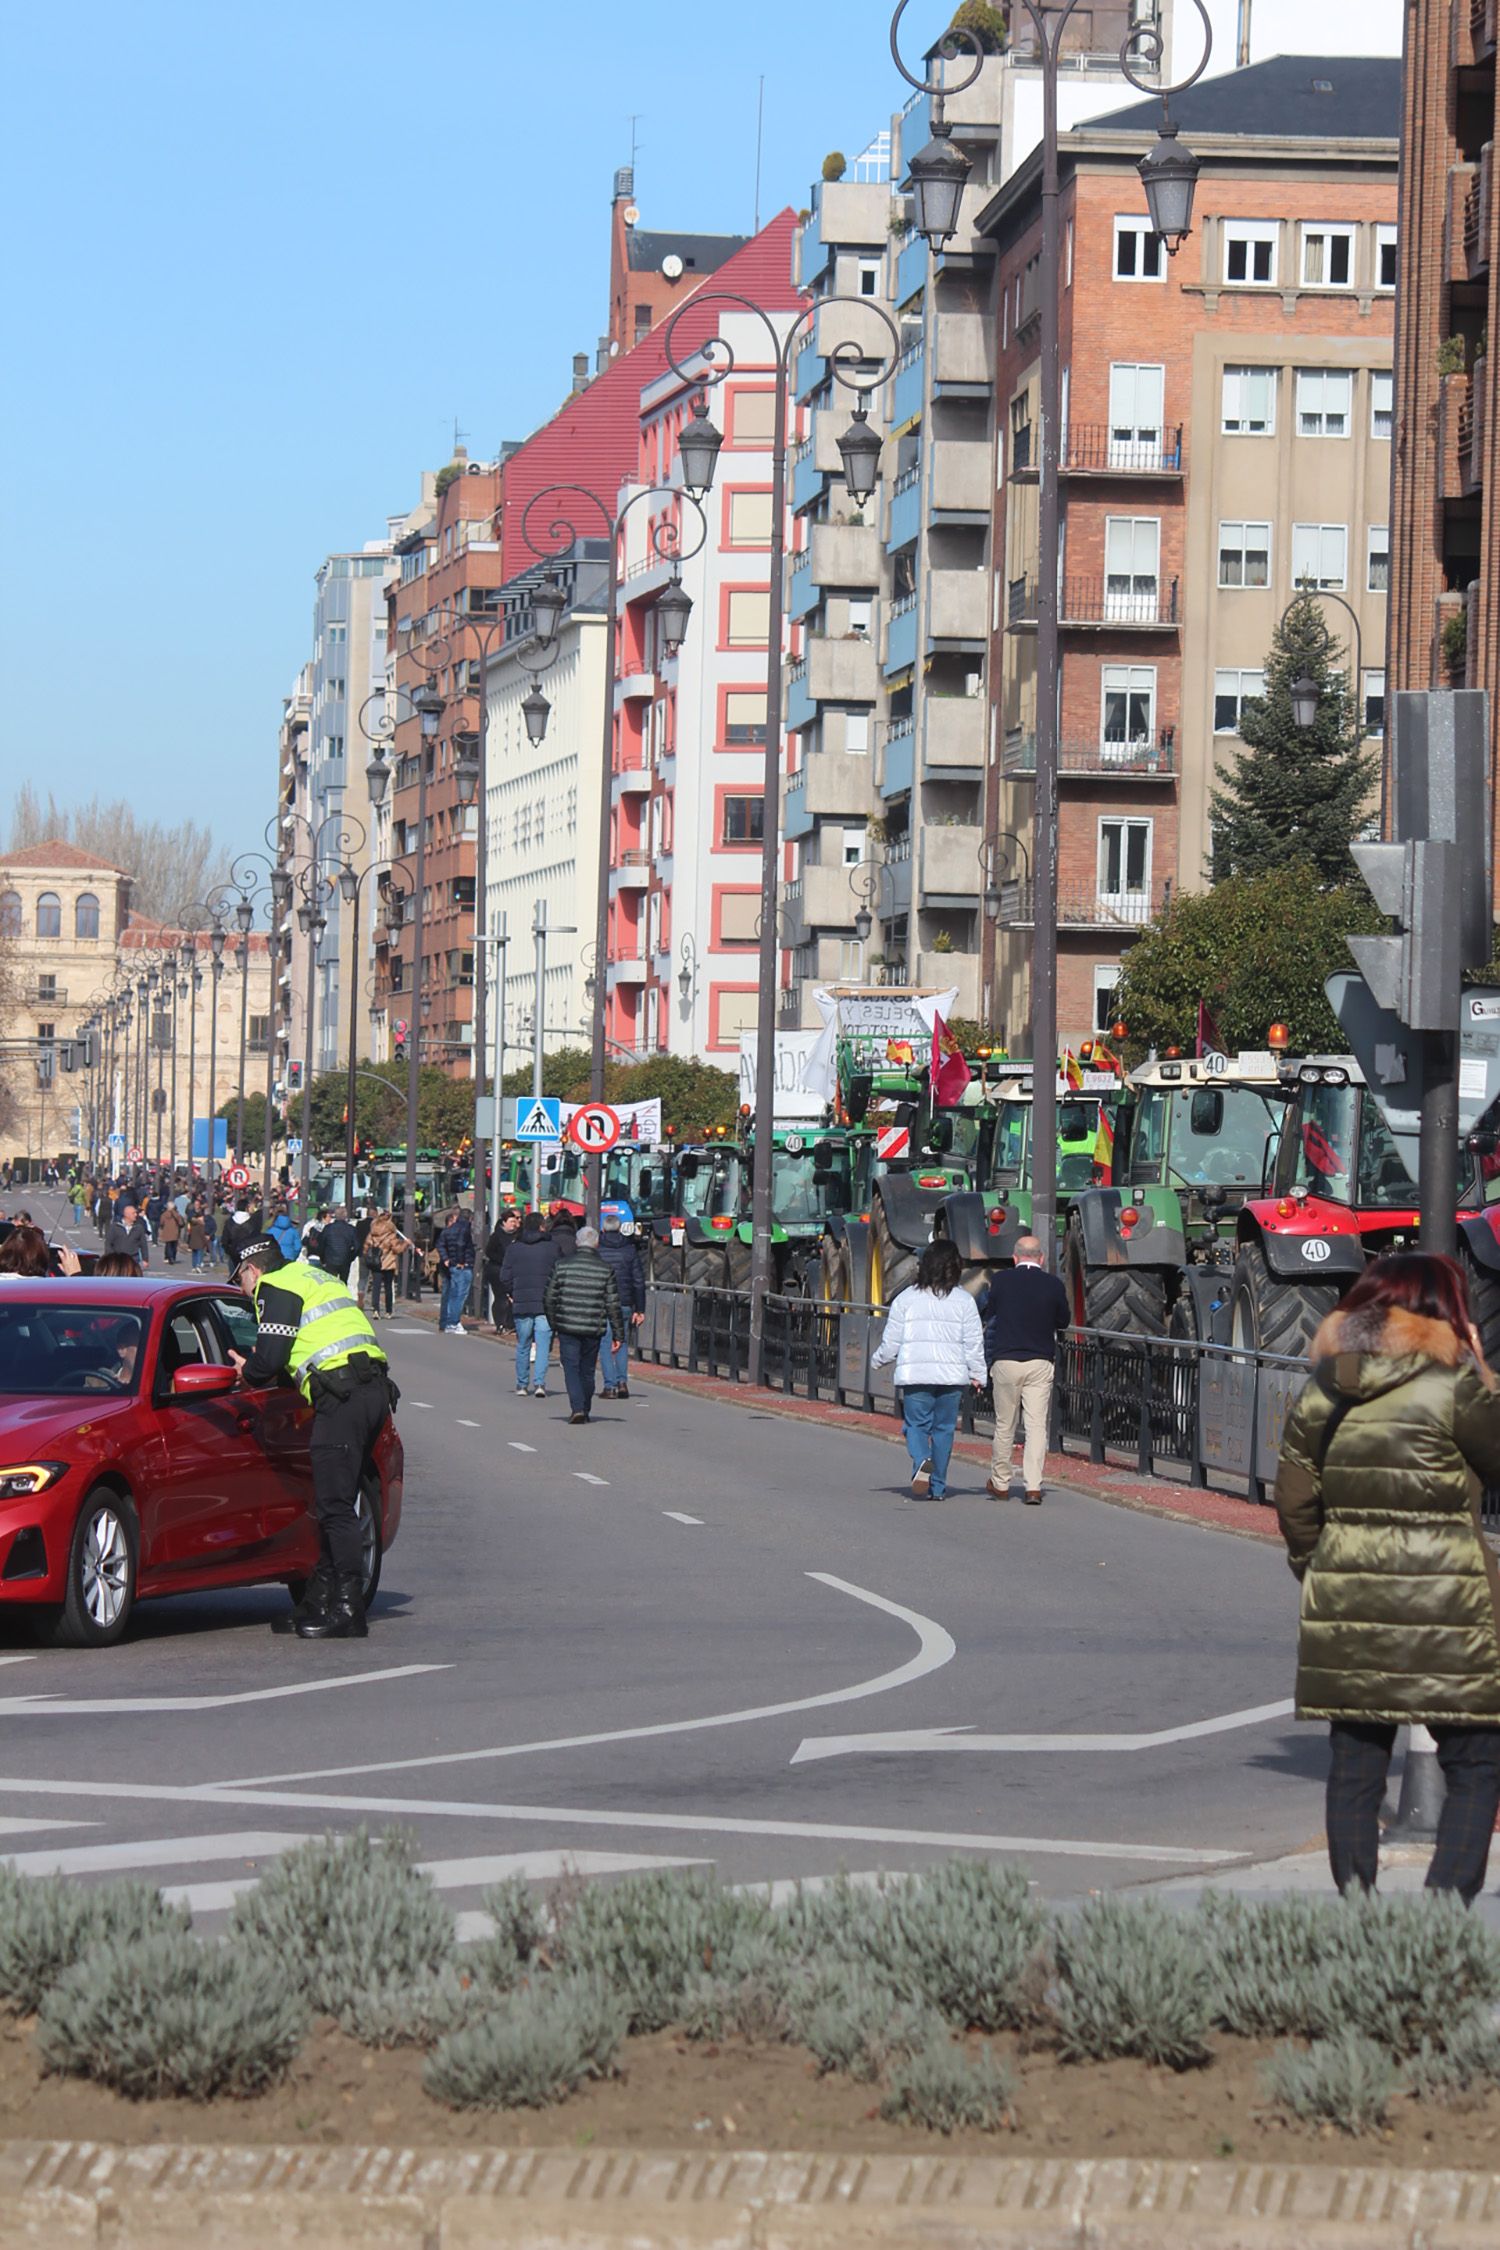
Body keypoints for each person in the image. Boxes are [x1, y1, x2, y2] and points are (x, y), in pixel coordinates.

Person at [1274, 1251, 1500, 1903]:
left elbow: (1294, 1498)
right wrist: (1482, 1365)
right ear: (1442, 1311)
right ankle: (1440, 1911)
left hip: (1347, 1590)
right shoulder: (1454, 1385)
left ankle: (1359, 1912)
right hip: (1450, 1599)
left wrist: (1319, 1568)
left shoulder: (1327, 1384)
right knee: (1477, 1761)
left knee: (1354, 1762)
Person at [228, 1233, 395, 1641]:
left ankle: (348, 1609)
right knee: (332, 1502)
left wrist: (243, 1372)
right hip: (372, 1390)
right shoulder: (314, 1276)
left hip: (342, 1398)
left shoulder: (274, 1286)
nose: (243, 1291)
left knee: (335, 1507)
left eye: (240, 1282)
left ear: (253, 1270)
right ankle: (318, 1599)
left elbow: (269, 1359)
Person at [870, 1239, 987, 1501]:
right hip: (951, 1376)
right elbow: (973, 1342)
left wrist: (878, 1360)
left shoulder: (906, 1299)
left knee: (916, 1426)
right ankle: (938, 1487)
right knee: (944, 1429)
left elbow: (892, 1342)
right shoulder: (964, 1301)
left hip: (917, 1374)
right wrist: (978, 1374)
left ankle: (922, 1460)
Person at [979, 1233, 1070, 1504]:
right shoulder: (1053, 1284)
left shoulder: (1001, 1281)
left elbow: (989, 1312)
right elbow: (1063, 1320)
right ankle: (1032, 1486)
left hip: (1006, 1359)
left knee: (1005, 1425)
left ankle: (1001, 1482)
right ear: (1041, 1258)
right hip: (1039, 1361)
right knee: (1035, 1426)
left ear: (1015, 1257)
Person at [544, 1223, 624, 1425]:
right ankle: (584, 1407)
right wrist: (618, 1334)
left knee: (571, 1367)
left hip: (567, 1326)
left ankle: (577, 1407)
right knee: (587, 1369)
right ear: (596, 1244)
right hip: (593, 1326)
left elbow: (549, 1297)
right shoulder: (605, 1269)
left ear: (577, 1243)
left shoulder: (562, 1266)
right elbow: (613, 1303)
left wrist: (555, 1322)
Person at [502, 1210, 560, 1396]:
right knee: (543, 1344)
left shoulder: (514, 1248)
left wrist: (512, 1292)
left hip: (522, 1302)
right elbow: (560, 1274)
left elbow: (505, 1276)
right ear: (542, 1226)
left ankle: (521, 1384)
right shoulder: (552, 1248)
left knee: (523, 1344)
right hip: (545, 1303)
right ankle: (540, 1383)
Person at [596, 1212, 646, 1399]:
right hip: (625, 1302)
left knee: (606, 1342)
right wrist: (640, 1308)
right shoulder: (629, 1249)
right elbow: (638, 1281)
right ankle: (622, 1381)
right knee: (622, 1342)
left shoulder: (598, 1250)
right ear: (619, 1228)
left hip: (603, 1303)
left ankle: (609, 1386)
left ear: (603, 1229)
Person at [361, 1209, 410, 1320]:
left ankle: (376, 1310)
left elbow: (366, 1247)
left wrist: (368, 1256)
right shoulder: (391, 1234)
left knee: (376, 1287)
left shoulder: (372, 1233)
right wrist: (406, 1244)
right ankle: (388, 1311)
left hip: (375, 1263)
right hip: (388, 1263)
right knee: (388, 1287)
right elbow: (397, 1249)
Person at [436, 1204, 476, 1336]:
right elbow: (461, 1244)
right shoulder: (465, 1229)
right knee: (461, 1295)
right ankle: (454, 1322)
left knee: (453, 1295)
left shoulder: (448, 1230)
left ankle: (448, 1322)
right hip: (462, 1266)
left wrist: (446, 1258)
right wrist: (461, 1261)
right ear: (470, 1218)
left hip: (452, 1265)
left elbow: (440, 1244)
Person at [485, 1209, 521, 1334]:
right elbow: (489, 1252)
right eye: (511, 1222)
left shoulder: (519, 1236)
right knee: (501, 1297)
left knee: (514, 1297)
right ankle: (500, 1323)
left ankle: (511, 1323)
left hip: (514, 1271)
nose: (514, 1224)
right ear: (504, 1223)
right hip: (497, 1271)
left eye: (515, 1221)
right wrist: (504, 1261)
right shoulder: (496, 1236)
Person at [105, 1200, 150, 1271]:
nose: (136, 1214)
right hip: (118, 1259)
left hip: (134, 1259)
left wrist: (145, 1259)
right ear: (126, 1214)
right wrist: (110, 1258)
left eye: (136, 1213)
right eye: (133, 1213)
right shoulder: (115, 1227)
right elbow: (108, 1243)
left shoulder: (139, 1227)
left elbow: (143, 1245)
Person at [318, 1206, 359, 1285]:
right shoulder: (351, 1229)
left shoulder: (328, 1228)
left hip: (330, 1260)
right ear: (345, 1215)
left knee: (330, 1284)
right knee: (343, 1283)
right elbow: (357, 1247)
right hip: (345, 1259)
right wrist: (350, 1258)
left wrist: (323, 1259)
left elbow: (321, 1245)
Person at [157, 1201, 183, 1266]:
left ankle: (169, 1257)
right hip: (175, 1231)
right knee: (174, 1245)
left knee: (168, 1245)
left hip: (166, 1231)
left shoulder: (164, 1214)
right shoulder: (177, 1214)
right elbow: (181, 1223)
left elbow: (161, 1223)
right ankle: (173, 1257)